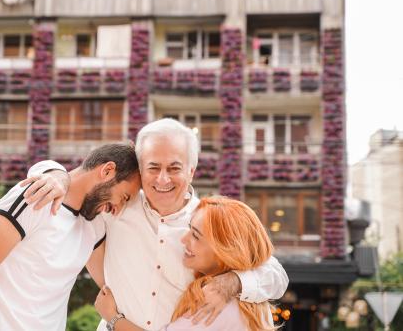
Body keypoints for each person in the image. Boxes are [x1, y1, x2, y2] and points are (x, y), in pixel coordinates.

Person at [26, 118, 289, 330]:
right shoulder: (116, 206)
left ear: (191, 171)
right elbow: (80, 178)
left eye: (174, 168)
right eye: (153, 168)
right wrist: (56, 175)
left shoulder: (207, 222)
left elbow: (276, 276)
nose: (163, 180)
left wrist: (231, 282)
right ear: (140, 170)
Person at [0, 143, 141, 331]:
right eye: (124, 197)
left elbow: (112, 285)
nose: (118, 208)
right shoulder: (37, 197)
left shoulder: (94, 226)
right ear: (108, 171)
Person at [94, 196, 276, 331]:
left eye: (196, 236)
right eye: (190, 229)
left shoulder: (217, 301)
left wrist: (113, 318)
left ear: (225, 250)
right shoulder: (252, 298)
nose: (183, 239)